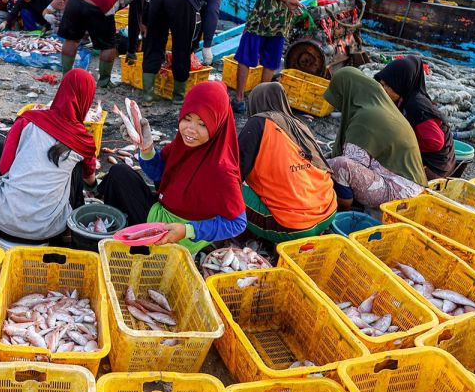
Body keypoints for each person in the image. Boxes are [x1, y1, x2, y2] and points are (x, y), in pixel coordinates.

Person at [98, 81, 246, 254]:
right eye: (187, 119)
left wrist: (188, 230)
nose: (191, 130)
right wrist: (147, 149)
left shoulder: (222, 169)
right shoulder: (182, 145)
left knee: (119, 183)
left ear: (217, 125)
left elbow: (238, 223)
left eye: (202, 124)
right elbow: (160, 174)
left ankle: (142, 251)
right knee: (119, 173)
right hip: (163, 211)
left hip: (179, 236)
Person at [0, 69, 98, 245]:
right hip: (47, 230)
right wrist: (94, 187)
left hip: (0, 221)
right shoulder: (84, 141)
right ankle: (69, 233)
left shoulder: (27, 120)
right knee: (76, 168)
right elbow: (89, 180)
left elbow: (4, 167)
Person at [238, 82, 337, 241]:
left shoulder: (257, 123)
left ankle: (237, 235)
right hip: (328, 211)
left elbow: (235, 171)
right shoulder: (299, 124)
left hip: (292, 226)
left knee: (223, 187)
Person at [323, 67, 426, 210]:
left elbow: (352, 164)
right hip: (410, 188)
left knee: (339, 166)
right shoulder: (379, 106)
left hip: (400, 195)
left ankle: (341, 210)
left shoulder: (366, 116)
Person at [59, 0, 157, 89]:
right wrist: (131, 50)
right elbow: (134, 21)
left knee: (72, 39)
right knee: (108, 46)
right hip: (99, 7)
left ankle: (65, 77)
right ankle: (104, 82)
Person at [140, 0, 222, 104]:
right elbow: (212, 13)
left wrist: (146, 21)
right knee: (181, 45)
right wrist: (207, 45)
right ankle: (178, 97)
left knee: (153, 43)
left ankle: (147, 96)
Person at [375, 56, 456, 179]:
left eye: (388, 85)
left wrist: (402, 146)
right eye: (382, 85)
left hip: (435, 168)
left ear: (401, 83)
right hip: (428, 160)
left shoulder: (416, 106)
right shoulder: (403, 99)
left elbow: (436, 142)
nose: (383, 90)